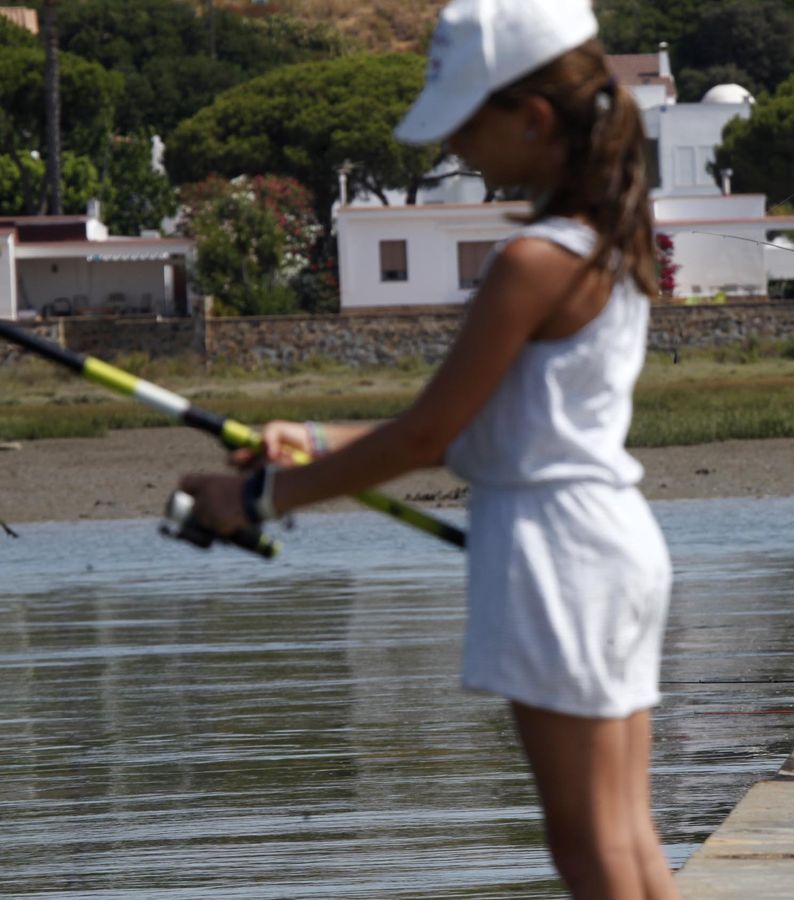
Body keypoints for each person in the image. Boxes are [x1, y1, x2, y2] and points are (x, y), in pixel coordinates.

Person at [175, 1, 679, 893]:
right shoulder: (608, 241)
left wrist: (254, 501)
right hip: (610, 540)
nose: (457, 151)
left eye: (464, 125)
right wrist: (318, 437)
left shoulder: (530, 261)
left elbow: (428, 434)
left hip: (555, 552)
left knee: (586, 842)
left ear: (531, 118)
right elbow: (483, 427)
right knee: (626, 832)